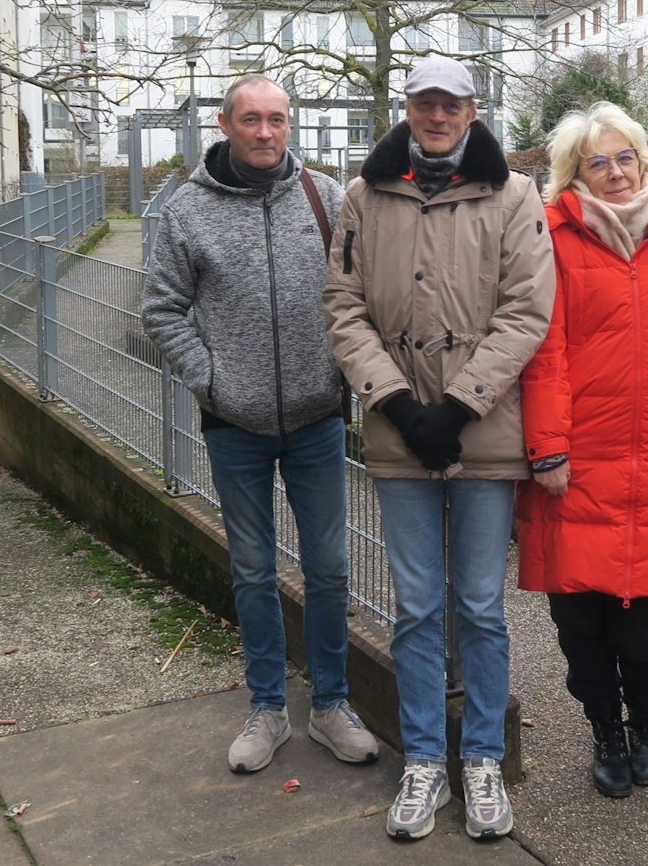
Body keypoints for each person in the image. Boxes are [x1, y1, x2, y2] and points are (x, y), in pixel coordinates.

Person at [323, 54, 553, 842]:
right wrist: (392, 399)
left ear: (473, 109)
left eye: (451, 103)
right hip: (398, 433)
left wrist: (456, 406)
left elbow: (528, 310)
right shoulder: (364, 196)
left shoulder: (515, 195)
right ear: (408, 106)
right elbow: (344, 306)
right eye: (425, 101)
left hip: (483, 431)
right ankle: (426, 757)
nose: (438, 114)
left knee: (481, 606)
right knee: (418, 606)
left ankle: (481, 757)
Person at [141, 74, 378, 775]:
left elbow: (360, 293)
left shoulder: (326, 197)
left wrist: (345, 374)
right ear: (225, 123)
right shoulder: (189, 210)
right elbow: (161, 308)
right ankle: (268, 707)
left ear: (290, 123)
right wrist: (210, 377)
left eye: (277, 118)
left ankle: (331, 705)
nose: (266, 132)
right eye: (252, 119)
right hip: (233, 423)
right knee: (252, 568)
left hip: (315, 419)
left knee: (330, 568)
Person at [515, 103, 648, 799]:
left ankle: (647, 728)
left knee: (645, 632)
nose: (612, 172)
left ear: (644, 161)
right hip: (575, 460)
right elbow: (541, 349)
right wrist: (547, 446)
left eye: (623, 157)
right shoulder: (550, 236)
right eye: (595, 162)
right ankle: (604, 729)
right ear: (572, 173)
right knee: (581, 625)